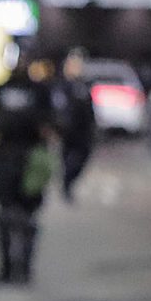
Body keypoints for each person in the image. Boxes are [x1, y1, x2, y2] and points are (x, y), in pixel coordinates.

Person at [0, 54, 55, 284]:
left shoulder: (40, 92)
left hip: (31, 160)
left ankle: (24, 267)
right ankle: (6, 267)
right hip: (6, 159)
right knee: (5, 216)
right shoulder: (1, 89)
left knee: (28, 218)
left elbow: (51, 124)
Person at [52, 49, 97, 202]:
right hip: (66, 131)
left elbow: (90, 110)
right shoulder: (61, 85)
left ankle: (68, 182)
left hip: (82, 131)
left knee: (81, 158)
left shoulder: (83, 86)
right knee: (68, 159)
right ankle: (66, 186)